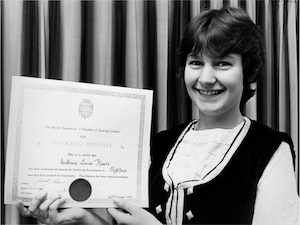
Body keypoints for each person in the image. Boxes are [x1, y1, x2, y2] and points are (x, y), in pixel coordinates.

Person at [17, 6, 299, 225]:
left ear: (247, 72)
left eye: (223, 63)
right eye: (196, 62)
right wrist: (82, 219)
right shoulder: (160, 144)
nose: (206, 77)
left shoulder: (270, 149)